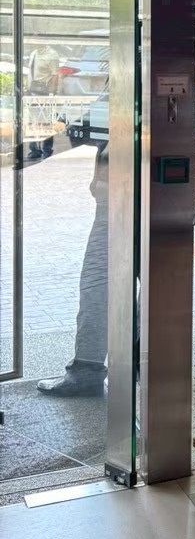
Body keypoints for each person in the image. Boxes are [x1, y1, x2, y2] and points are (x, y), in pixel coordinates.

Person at [37, 141, 109, 397]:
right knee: (148, 282)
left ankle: (87, 372)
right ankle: (146, 367)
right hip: (136, 199)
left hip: (122, 202)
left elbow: (77, 133)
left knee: (97, 282)